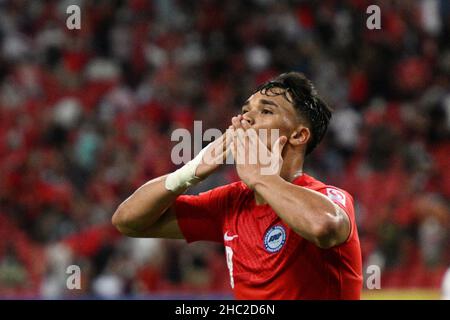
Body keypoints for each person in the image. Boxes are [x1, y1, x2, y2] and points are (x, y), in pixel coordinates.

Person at [112, 72, 363, 299]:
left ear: (298, 135)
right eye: (246, 110)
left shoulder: (327, 197)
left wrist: (263, 178)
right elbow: (128, 221)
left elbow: (324, 226)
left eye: (266, 111)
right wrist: (188, 172)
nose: (246, 119)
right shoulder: (231, 203)